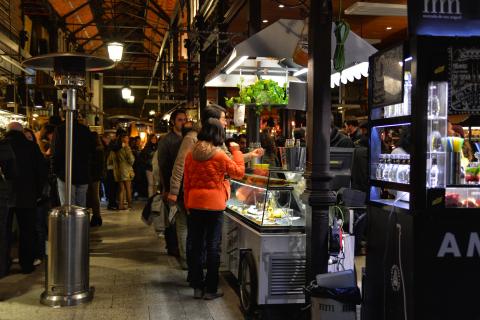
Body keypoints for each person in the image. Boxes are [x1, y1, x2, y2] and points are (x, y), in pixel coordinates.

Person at [184, 118, 245, 300]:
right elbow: (239, 172)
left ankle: (197, 286)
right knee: (212, 246)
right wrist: (237, 151)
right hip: (214, 204)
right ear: (218, 134)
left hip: (194, 203)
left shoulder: (190, 154)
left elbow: (186, 182)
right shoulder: (219, 155)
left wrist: (187, 202)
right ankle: (211, 289)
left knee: (195, 246)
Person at [3, 122, 47, 274]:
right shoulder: (31, 147)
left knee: (4, 231)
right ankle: (26, 264)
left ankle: (3, 265)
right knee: (27, 231)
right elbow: (41, 172)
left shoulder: (2, 145)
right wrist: (38, 193)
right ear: (21, 132)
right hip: (27, 195)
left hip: (4, 196)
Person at [157, 108, 187, 256]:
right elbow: (162, 165)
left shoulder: (187, 138)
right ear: (173, 122)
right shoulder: (166, 140)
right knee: (171, 217)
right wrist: (165, 188)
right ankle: (172, 246)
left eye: (184, 120)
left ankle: (179, 247)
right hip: (170, 183)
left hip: (184, 184)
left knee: (179, 218)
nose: (183, 123)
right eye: (180, 120)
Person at [52, 112, 95, 207]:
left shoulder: (60, 130)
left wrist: (55, 171)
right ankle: (80, 222)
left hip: (65, 173)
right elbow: (91, 150)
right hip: (82, 172)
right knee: (81, 205)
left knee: (67, 205)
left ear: (63, 116)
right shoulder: (85, 130)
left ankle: (70, 222)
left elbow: (57, 152)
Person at [0, 135, 16, 277]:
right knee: (2, 232)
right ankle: (2, 267)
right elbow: (11, 170)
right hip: (1, 193)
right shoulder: (3, 145)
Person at [111, 133, 135, 210]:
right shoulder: (127, 147)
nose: (128, 139)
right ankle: (130, 204)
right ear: (123, 139)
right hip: (126, 169)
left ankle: (120, 205)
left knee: (121, 188)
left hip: (119, 169)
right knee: (128, 188)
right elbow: (131, 159)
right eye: (127, 138)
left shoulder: (117, 148)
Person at [87, 132, 105, 227]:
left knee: (92, 196)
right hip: (97, 175)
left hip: (92, 175)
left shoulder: (93, 150)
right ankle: (97, 216)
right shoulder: (100, 149)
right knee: (95, 196)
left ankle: (96, 216)